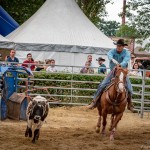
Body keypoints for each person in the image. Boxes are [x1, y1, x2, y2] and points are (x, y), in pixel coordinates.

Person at [87, 39, 134, 112]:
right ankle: (94, 101)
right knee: (102, 85)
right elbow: (109, 54)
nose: (118, 47)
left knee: (130, 89)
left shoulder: (126, 53)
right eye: (118, 45)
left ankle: (130, 103)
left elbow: (126, 60)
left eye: (120, 46)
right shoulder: (112, 51)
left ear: (123, 46)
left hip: (122, 72)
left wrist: (121, 64)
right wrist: (112, 59)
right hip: (113, 72)